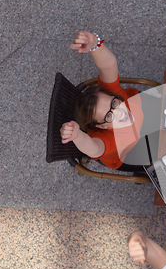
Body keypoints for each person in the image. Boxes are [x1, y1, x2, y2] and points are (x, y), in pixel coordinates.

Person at [60, 31, 153, 171]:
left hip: (143, 117)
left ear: (111, 95)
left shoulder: (113, 93)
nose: (120, 113)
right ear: (102, 127)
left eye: (114, 104)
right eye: (108, 116)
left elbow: (109, 65)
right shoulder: (107, 138)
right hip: (128, 154)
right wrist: (77, 135)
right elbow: (94, 149)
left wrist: (95, 45)